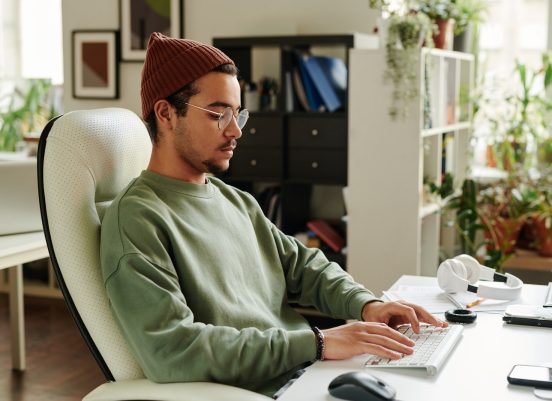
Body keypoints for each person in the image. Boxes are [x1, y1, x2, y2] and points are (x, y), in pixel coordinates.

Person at [100, 32, 447, 398]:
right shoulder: (136, 221)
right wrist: (317, 343)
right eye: (219, 114)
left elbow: (305, 267)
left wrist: (367, 305)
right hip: (264, 390)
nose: (235, 131)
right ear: (166, 113)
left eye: (238, 114)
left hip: (307, 372)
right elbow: (173, 350)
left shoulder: (235, 201)